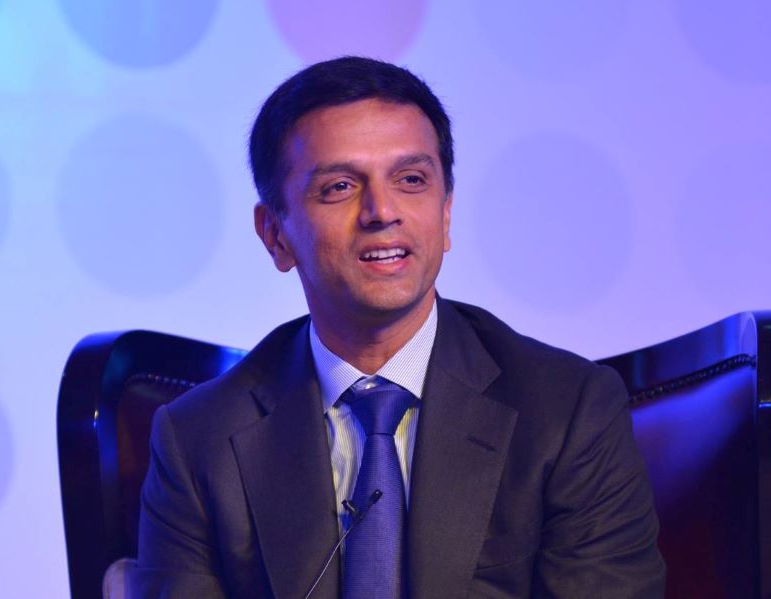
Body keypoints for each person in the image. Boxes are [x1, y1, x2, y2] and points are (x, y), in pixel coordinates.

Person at [131, 56, 665, 598]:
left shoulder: (567, 412)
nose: (382, 211)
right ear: (275, 235)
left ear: (445, 213)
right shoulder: (197, 438)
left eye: (411, 180)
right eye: (340, 187)